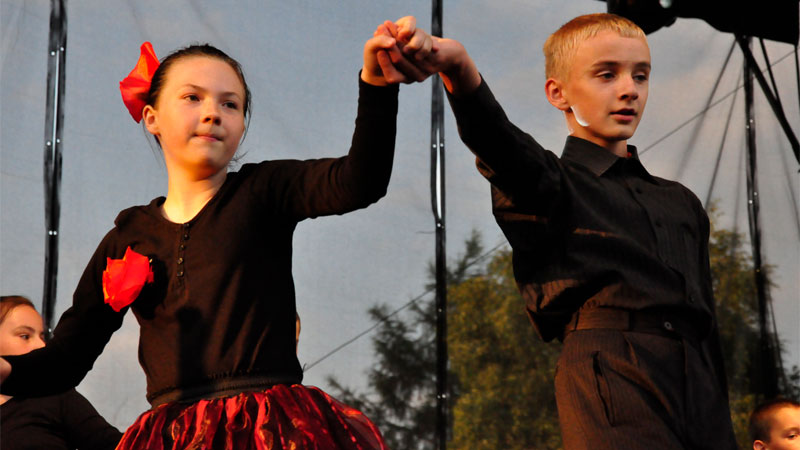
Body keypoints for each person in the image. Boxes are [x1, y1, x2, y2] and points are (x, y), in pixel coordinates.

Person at [1, 26, 430, 448]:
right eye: (193, 97)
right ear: (152, 117)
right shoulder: (127, 238)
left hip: (267, 430)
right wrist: (8, 372)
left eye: (230, 104)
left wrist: (377, 85)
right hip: (173, 437)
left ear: (242, 125)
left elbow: (360, 182)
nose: (213, 113)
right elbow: (67, 358)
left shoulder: (265, 190)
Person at [375, 13, 738, 449]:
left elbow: (707, 324)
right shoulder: (551, 183)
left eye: (641, 75)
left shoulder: (680, 202)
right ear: (557, 92)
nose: (629, 89)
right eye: (607, 74)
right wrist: (459, 68)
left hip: (698, 386)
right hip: (612, 373)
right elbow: (501, 145)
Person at [0, 295, 122, 450]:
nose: (41, 345)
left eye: (43, 336)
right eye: (25, 336)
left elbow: (114, 444)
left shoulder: (55, 396)